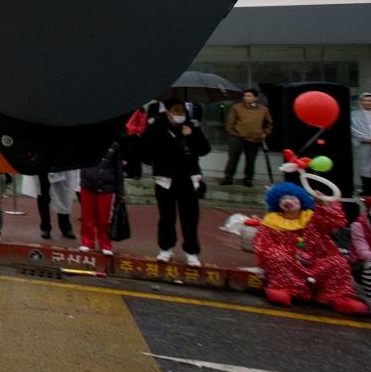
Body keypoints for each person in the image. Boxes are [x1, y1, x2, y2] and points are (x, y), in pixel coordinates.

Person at [254, 182, 366, 314]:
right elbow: (264, 246)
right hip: (290, 263)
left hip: (319, 260)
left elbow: (336, 222)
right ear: (277, 203)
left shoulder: (314, 216)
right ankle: (284, 290)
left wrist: (324, 203)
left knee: (338, 263)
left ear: (301, 200)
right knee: (277, 257)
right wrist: (286, 253)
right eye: (283, 199)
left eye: (292, 198)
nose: (288, 201)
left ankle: (339, 298)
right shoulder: (271, 221)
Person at [140, 99, 210, 265]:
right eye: (176, 113)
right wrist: (156, 162)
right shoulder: (157, 127)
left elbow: (204, 149)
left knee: (190, 217)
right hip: (165, 180)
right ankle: (166, 248)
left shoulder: (190, 127)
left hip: (188, 178)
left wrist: (191, 135)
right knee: (166, 216)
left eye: (182, 113)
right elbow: (142, 150)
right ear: (168, 113)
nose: (179, 116)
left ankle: (191, 251)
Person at [78, 139, 123, 255]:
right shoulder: (87, 143)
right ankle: (87, 242)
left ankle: (105, 244)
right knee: (87, 216)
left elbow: (118, 169)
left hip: (107, 186)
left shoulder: (115, 146)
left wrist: (120, 190)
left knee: (105, 218)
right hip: (88, 184)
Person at [221, 89, 273, 187]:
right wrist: (232, 133)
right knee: (233, 158)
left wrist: (265, 133)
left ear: (255, 98)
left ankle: (248, 179)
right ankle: (228, 177)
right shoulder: (237, 107)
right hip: (237, 137)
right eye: (245, 95)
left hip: (254, 138)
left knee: (250, 160)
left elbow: (269, 123)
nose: (246, 97)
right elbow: (229, 122)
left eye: (249, 96)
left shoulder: (263, 109)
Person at [23, 169, 78, 240]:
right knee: (43, 196)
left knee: (63, 195)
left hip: (60, 166)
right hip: (43, 167)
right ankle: (45, 228)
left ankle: (66, 228)